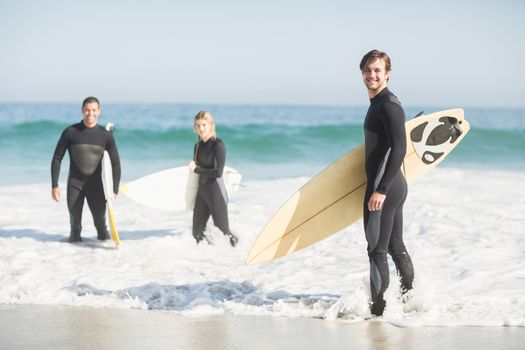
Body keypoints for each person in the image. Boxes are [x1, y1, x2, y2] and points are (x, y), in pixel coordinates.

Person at [359, 50, 414, 316]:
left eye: (377, 70)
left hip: (385, 187)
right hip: (394, 185)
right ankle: (410, 303)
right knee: (394, 246)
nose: (372, 75)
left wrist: (380, 190)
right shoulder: (379, 103)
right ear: (362, 74)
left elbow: (399, 148)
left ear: (387, 73)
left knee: (376, 251)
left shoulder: (388, 105)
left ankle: (377, 313)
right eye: (368, 70)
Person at [51, 96, 121, 243]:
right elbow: (57, 158)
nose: (90, 113)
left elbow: (115, 163)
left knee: (101, 229)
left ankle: (106, 261)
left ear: (99, 111)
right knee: (74, 230)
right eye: (87, 110)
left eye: (94, 110)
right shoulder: (70, 132)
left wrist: (114, 189)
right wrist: (55, 185)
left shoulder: (105, 136)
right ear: (82, 111)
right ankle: (74, 262)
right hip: (74, 185)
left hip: (95, 186)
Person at [188, 111, 238, 247]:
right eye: (197, 125)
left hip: (216, 193)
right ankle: (209, 262)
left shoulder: (218, 145)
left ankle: (238, 254)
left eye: (204, 125)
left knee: (224, 234)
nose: (201, 128)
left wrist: (196, 169)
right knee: (197, 233)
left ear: (211, 125)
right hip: (202, 194)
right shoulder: (197, 146)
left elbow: (218, 172)